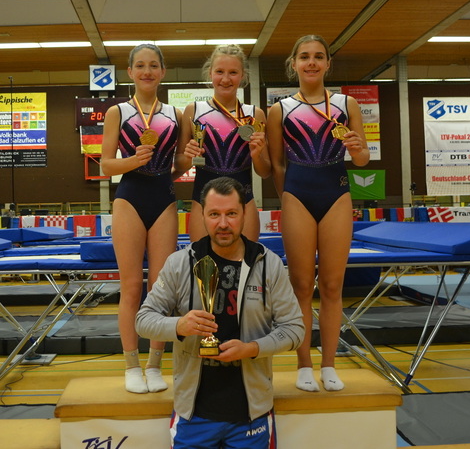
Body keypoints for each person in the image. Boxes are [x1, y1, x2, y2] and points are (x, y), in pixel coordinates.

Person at [136, 177, 304, 449]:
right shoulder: (180, 263)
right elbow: (144, 320)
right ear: (202, 215)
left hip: (251, 415)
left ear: (245, 214)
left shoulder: (268, 264)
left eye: (231, 214)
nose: (223, 224)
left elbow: (295, 329)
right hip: (194, 415)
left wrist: (252, 348)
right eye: (214, 214)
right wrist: (179, 325)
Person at [266, 34, 369, 392]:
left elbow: (362, 159)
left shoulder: (345, 104)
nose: (311, 62)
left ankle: (329, 364)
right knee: (300, 286)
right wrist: (289, 195)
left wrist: (356, 147)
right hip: (297, 197)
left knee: (332, 285)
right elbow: (277, 164)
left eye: (318, 56)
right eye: (305, 56)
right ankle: (304, 364)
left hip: (336, 194)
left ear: (328, 64)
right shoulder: (280, 110)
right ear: (294, 64)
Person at [101, 43, 185, 394]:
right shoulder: (117, 112)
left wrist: (189, 158)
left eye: (153, 65)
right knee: (132, 286)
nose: (147, 71)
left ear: (163, 72)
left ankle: (154, 365)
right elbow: (106, 165)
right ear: (130, 72)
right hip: (129, 199)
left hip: (164, 200)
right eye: (140, 65)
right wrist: (133, 161)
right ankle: (132, 365)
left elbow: (180, 164)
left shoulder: (176, 115)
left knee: (160, 289)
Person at [176, 44, 271, 242]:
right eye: (220, 72)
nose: (226, 79)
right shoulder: (193, 111)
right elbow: (179, 163)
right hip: (203, 204)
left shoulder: (255, 114)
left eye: (233, 72)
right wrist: (189, 156)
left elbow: (265, 172)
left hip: (244, 204)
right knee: (204, 261)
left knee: (244, 261)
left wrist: (257, 155)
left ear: (243, 75)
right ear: (210, 73)